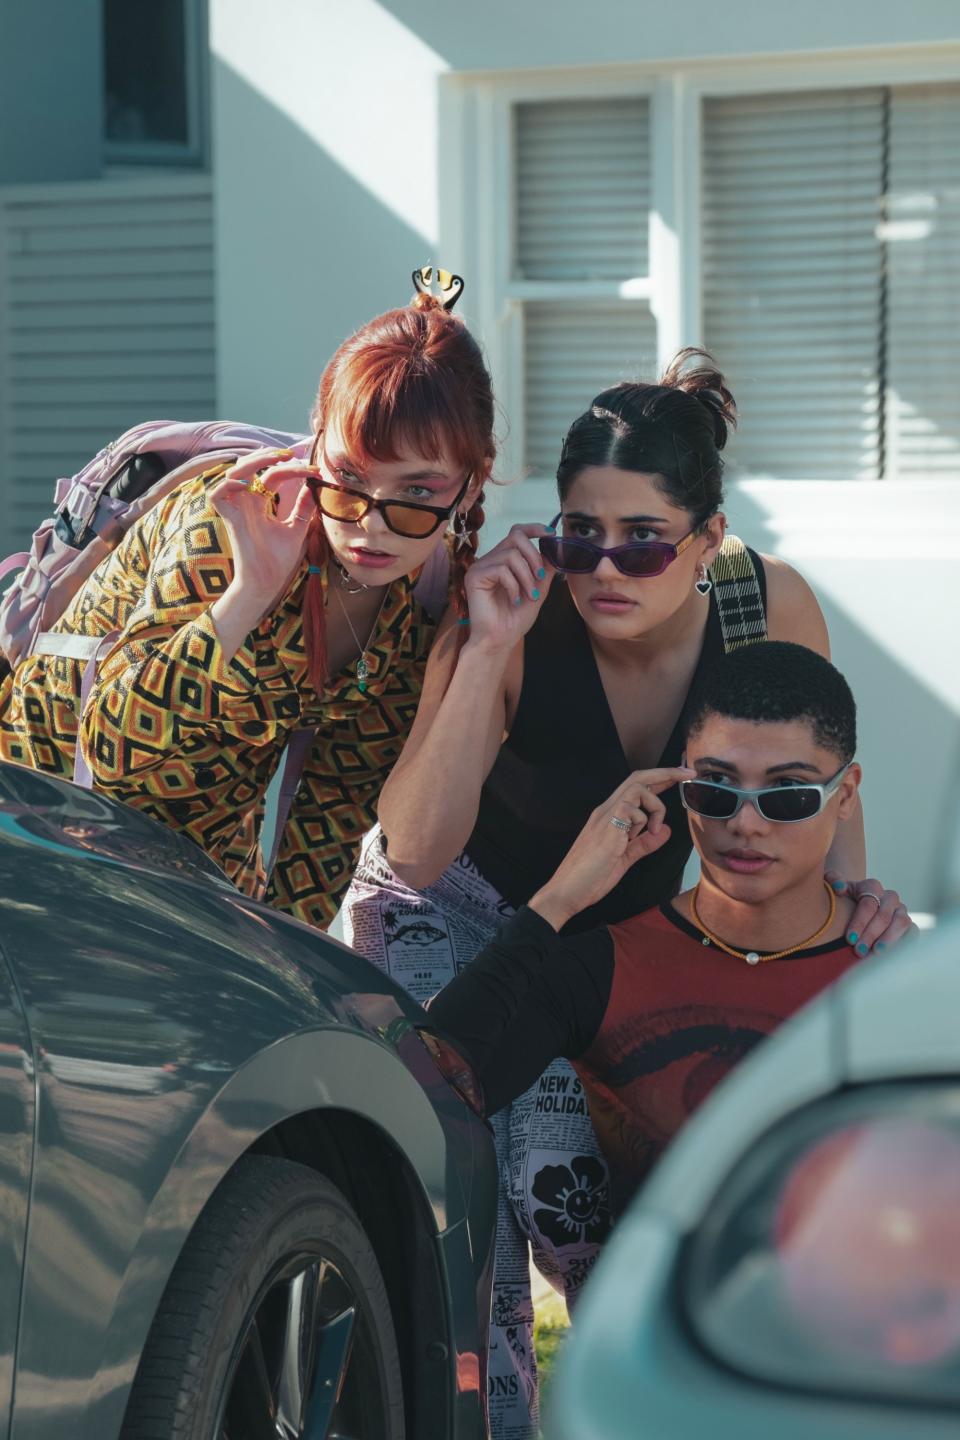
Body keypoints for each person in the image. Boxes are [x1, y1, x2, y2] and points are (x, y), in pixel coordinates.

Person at [341, 352, 909, 1436]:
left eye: (645, 538)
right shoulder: (510, 612)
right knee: (476, 1220)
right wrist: (487, 646)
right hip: (448, 913)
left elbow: (811, 786)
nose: (607, 566)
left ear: (707, 539)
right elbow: (410, 848)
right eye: (578, 532)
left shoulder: (763, 604)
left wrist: (855, 913)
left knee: (584, 1201)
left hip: (596, 929)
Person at [0, 277, 495, 927]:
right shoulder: (231, 519)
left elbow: (328, 834)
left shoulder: (420, 603)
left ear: (471, 482)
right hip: (32, 827)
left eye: (415, 493)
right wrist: (247, 595)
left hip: (180, 881)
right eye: (347, 479)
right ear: (316, 442)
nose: (371, 524)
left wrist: (293, 968)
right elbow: (115, 753)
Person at [425, 640, 898, 1224]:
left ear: (844, 795)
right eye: (715, 789)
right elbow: (431, 1087)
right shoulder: (606, 966)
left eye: (787, 796)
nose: (745, 824)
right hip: (651, 1312)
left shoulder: (896, 972)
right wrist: (559, 898)